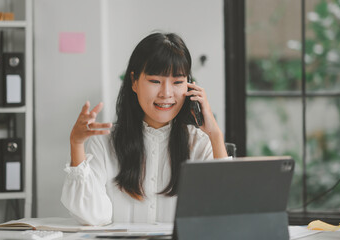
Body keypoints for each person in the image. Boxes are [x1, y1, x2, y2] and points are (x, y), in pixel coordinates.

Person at [61, 32, 228, 226]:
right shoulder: (105, 143)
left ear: (190, 86)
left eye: (177, 82)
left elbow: (224, 212)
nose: (166, 93)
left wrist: (215, 135)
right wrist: (76, 144)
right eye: (155, 81)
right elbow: (93, 216)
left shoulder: (199, 144)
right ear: (134, 81)